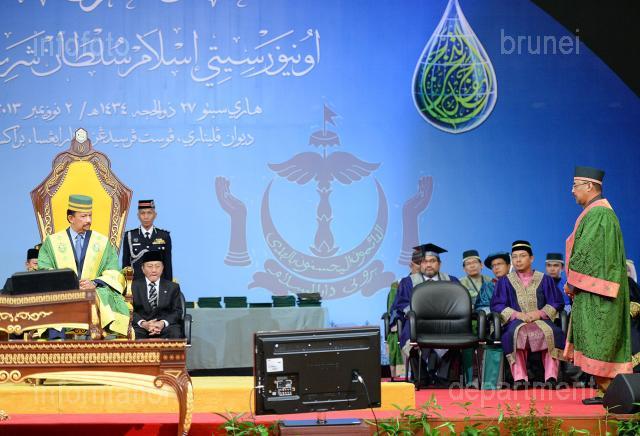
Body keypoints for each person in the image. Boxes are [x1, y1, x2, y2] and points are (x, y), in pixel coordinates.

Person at [564, 166, 632, 404]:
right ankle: (608, 393)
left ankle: (617, 397)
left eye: (575, 185)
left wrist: (572, 282)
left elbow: (589, 255)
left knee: (600, 341)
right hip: (593, 291)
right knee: (596, 341)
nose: (572, 191)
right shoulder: (596, 212)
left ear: (589, 186)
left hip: (599, 293)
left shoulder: (599, 214)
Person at [38, 194, 130, 337]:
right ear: (71, 218)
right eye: (83, 216)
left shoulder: (102, 242)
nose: (89, 220)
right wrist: (71, 284)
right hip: (64, 293)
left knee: (102, 297)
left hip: (93, 293)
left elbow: (113, 271)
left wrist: (94, 283)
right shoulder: (53, 242)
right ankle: (58, 342)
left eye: (90, 216)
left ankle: (99, 340)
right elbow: (44, 270)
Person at [491, 240, 566, 390]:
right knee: (514, 334)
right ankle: (520, 378)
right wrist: (517, 314)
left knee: (552, 332)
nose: (518, 260)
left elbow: (557, 301)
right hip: (516, 321)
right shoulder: (504, 282)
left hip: (541, 320)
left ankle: (551, 377)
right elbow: (497, 304)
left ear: (531, 258)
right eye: (514, 257)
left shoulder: (545, 279)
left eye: (522, 256)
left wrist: (539, 313)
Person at [389, 243, 459, 385]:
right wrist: (420, 314)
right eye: (425, 261)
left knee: (457, 332)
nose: (428, 265)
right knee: (410, 333)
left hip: (445, 322)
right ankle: (421, 376)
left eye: (432, 261)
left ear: (439, 264)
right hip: (418, 321)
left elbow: (459, 303)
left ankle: (443, 376)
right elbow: (401, 304)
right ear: (420, 264)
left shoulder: (451, 281)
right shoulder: (408, 282)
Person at [132, 251, 184, 339]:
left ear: (162, 268)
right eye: (150, 266)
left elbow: (177, 311)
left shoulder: (172, 287)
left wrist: (162, 323)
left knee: (175, 333)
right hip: (141, 327)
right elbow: (129, 310)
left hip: (165, 327)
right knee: (132, 334)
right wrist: (143, 323)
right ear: (143, 269)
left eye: (157, 266)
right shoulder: (133, 287)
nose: (154, 270)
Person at [122, 199, 173, 281]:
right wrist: (126, 286)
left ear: (155, 215)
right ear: (138, 215)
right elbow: (125, 265)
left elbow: (168, 265)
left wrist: (169, 287)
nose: (146, 217)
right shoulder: (129, 236)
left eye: (149, 213)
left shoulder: (164, 236)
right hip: (136, 285)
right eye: (142, 213)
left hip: (158, 285)